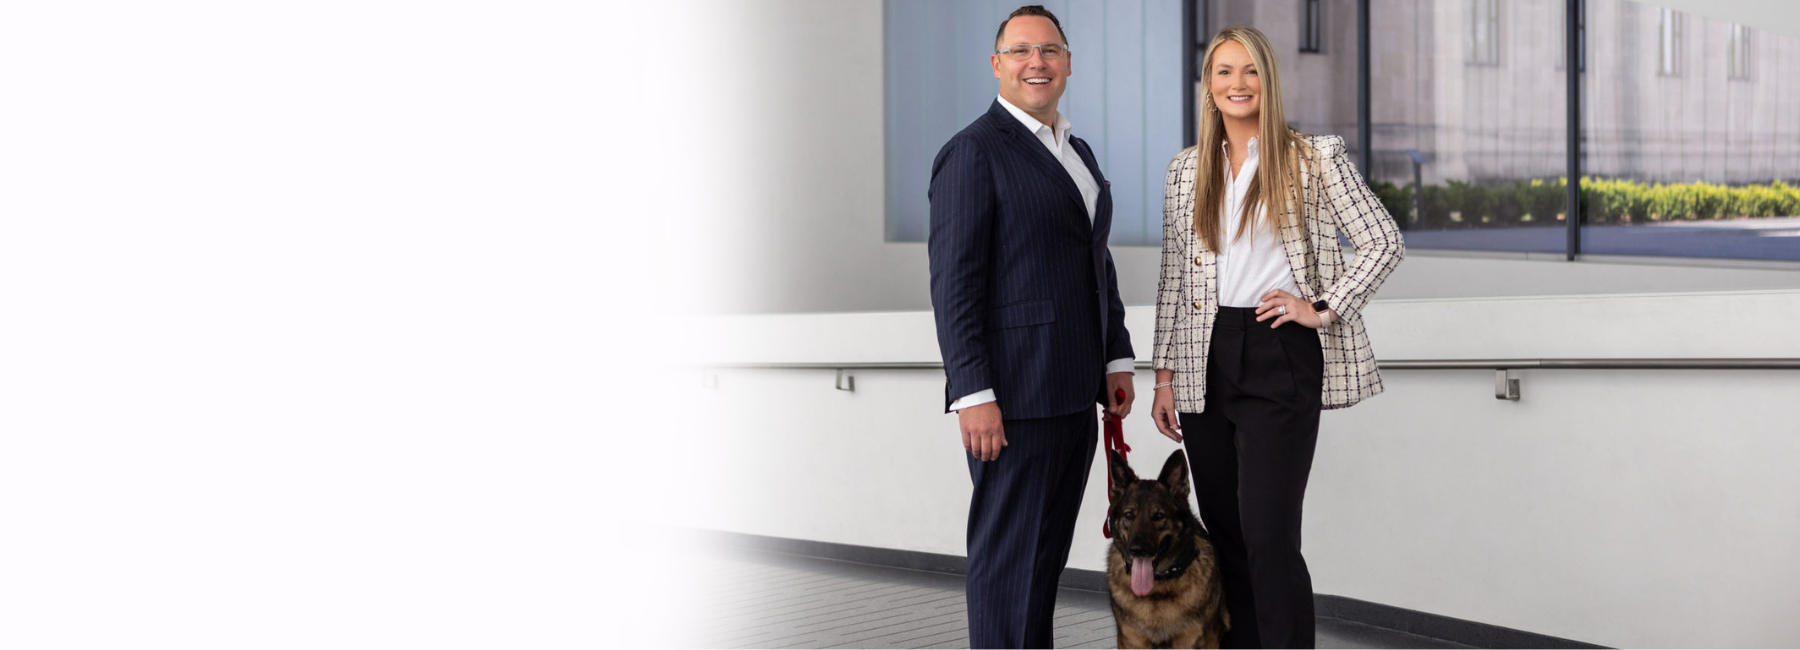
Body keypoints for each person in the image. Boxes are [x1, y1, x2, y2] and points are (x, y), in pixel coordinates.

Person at [1146, 26, 1405, 649]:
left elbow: (1384, 241)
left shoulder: (1313, 157)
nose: (1237, 84)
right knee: (1226, 534)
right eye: (1224, 71)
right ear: (1208, 85)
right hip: (1202, 356)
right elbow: (1174, 277)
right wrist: (1164, 375)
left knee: (1268, 536)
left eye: (1250, 71)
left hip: (1277, 349)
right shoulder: (1185, 170)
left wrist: (1321, 307)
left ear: (1269, 80)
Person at [927, 5, 1135, 648]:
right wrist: (972, 393)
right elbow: (954, 285)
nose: (1035, 62)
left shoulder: (1076, 150)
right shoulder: (972, 152)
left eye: (1049, 50)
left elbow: (1095, 261)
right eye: (1020, 51)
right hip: (1013, 398)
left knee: (1041, 567)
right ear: (997, 65)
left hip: (1075, 393)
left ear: (1068, 62)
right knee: (1007, 567)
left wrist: (1116, 357)